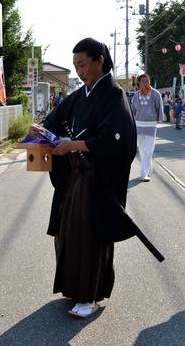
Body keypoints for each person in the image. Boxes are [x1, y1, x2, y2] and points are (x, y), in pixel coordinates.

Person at [28, 38, 159, 318]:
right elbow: (55, 120)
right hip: (73, 178)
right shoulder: (80, 95)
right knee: (67, 233)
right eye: (76, 66)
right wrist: (40, 130)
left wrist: (74, 145)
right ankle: (73, 289)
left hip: (97, 180)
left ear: (100, 60)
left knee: (89, 236)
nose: (79, 71)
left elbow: (118, 142)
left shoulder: (114, 94)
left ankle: (89, 295)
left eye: (83, 64)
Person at [131, 74, 163, 182]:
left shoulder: (155, 94)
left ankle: (144, 173)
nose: (146, 83)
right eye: (143, 81)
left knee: (148, 149)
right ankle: (148, 168)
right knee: (142, 149)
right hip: (138, 124)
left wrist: (159, 118)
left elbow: (159, 107)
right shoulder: (136, 95)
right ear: (140, 82)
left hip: (151, 124)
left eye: (147, 80)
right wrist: (132, 120)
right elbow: (133, 110)